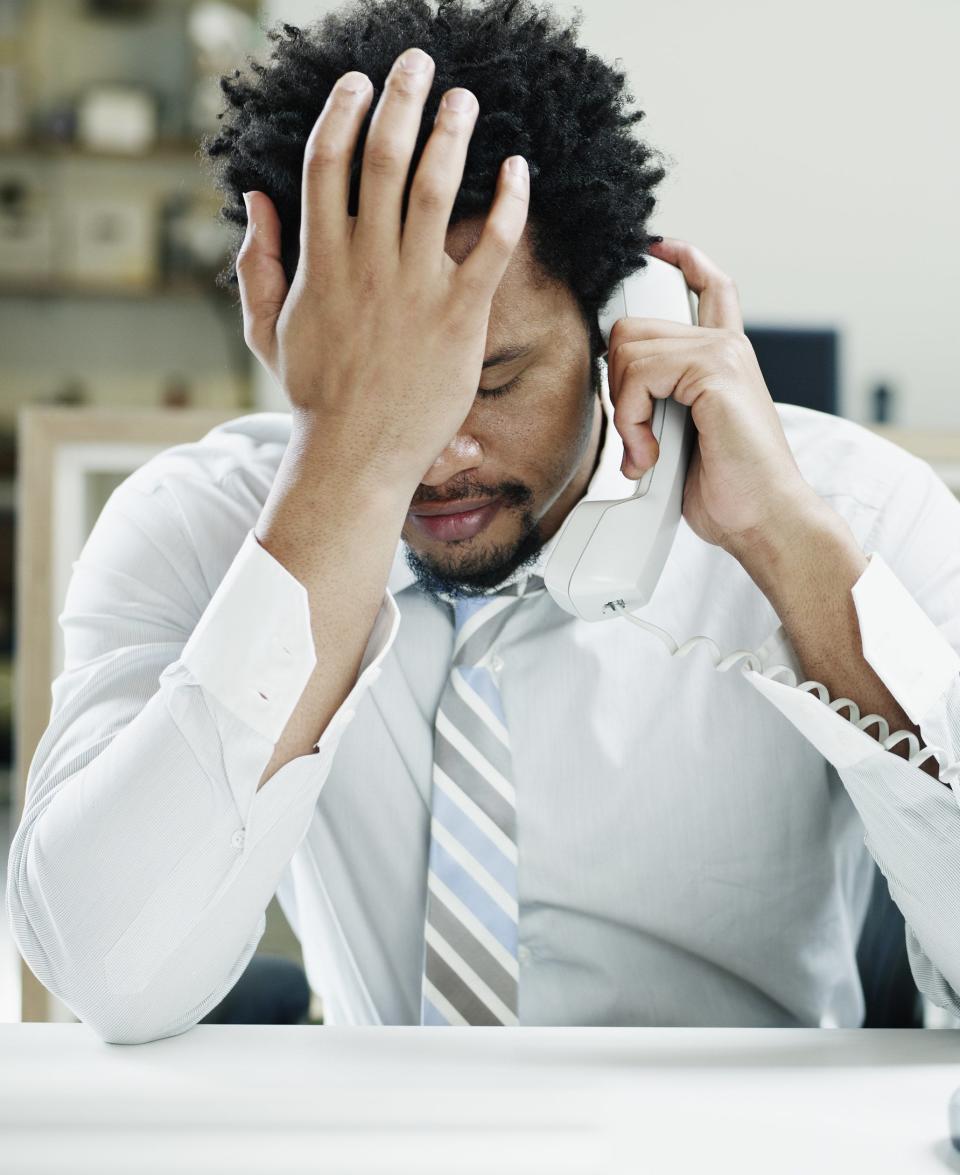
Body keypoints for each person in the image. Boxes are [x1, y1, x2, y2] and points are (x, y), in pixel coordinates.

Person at [7, 0, 960, 1042]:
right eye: (393, 385)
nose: (440, 451)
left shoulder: (850, 506)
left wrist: (787, 545)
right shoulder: (197, 523)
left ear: (619, 317)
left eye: (493, 380)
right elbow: (107, 973)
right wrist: (345, 468)